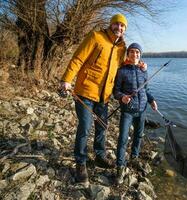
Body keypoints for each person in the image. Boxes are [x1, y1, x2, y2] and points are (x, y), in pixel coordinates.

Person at [59, 14, 146, 184]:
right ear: (111, 24)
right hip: (85, 91)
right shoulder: (96, 37)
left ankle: (99, 155)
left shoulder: (122, 47)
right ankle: (81, 162)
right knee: (84, 127)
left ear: (124, 29)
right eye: (116, 24)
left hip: (104, 96)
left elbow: (125, 65)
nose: (119, 28)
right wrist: (66, 80)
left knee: (102, 127)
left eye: (122, 26)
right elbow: (78, 58)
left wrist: (141, 65)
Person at [113, 43, 158, 184]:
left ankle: (134, 157)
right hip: (128, 111)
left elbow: (146, 90)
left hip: (142, 109)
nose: (135, 54)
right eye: (132, 52)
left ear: (140, 54)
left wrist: (151, 100)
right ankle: (120, 167)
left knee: (138, 135)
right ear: (128, 54)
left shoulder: (143, 70)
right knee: (123, 138)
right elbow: (115, 91)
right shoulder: (121, 71)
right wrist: (122, 97)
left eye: (137, 52)